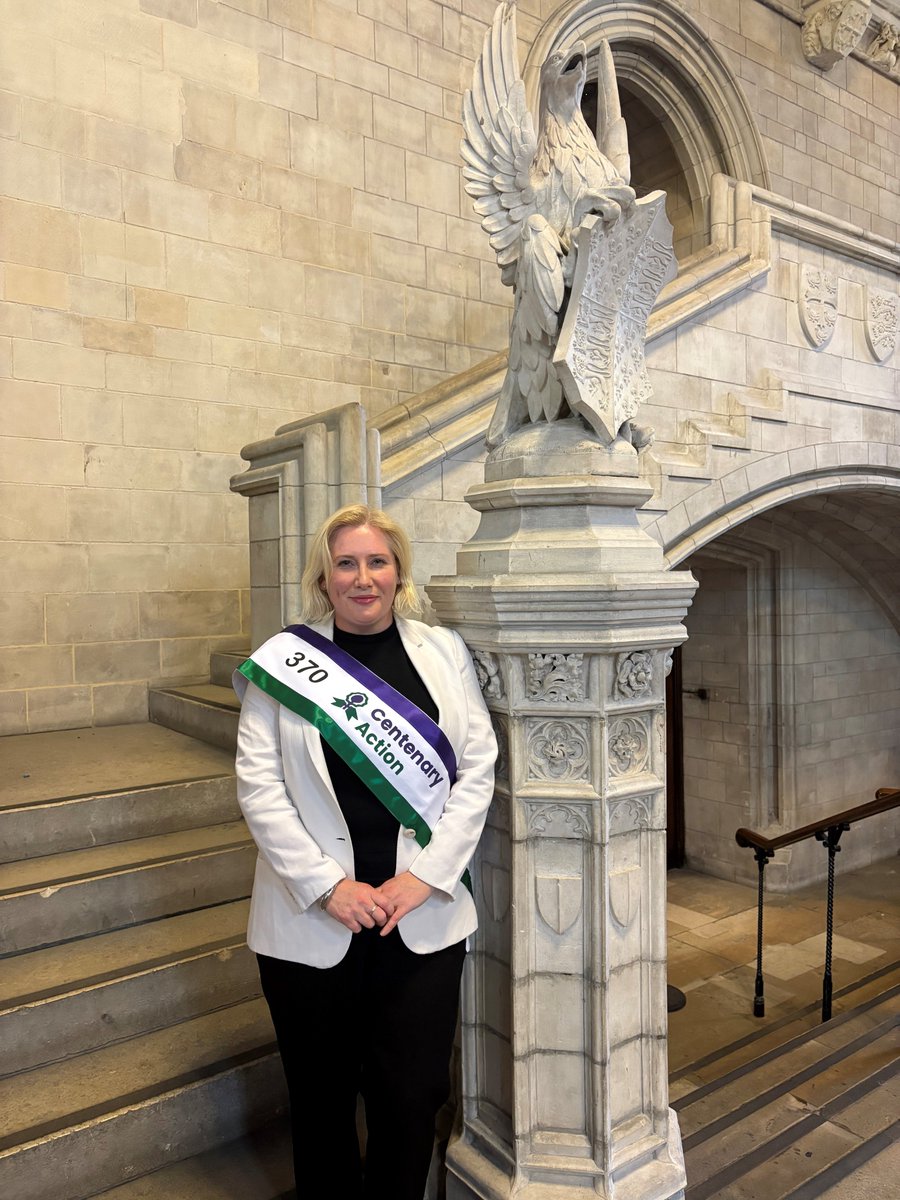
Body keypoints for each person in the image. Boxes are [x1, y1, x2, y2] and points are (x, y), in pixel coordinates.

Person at [233, 504, 497, 1200]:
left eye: (376, 562)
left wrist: (427, 877)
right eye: (346, 563)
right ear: (324, 577)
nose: (362, 578)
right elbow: (260, 788)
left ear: (398, 571)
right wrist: (328, 886)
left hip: (420, 919)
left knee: (411, 1099)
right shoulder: (285, 664)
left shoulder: (444, 653)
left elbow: (478, 769)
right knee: (320, 1104)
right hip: (312, 923)